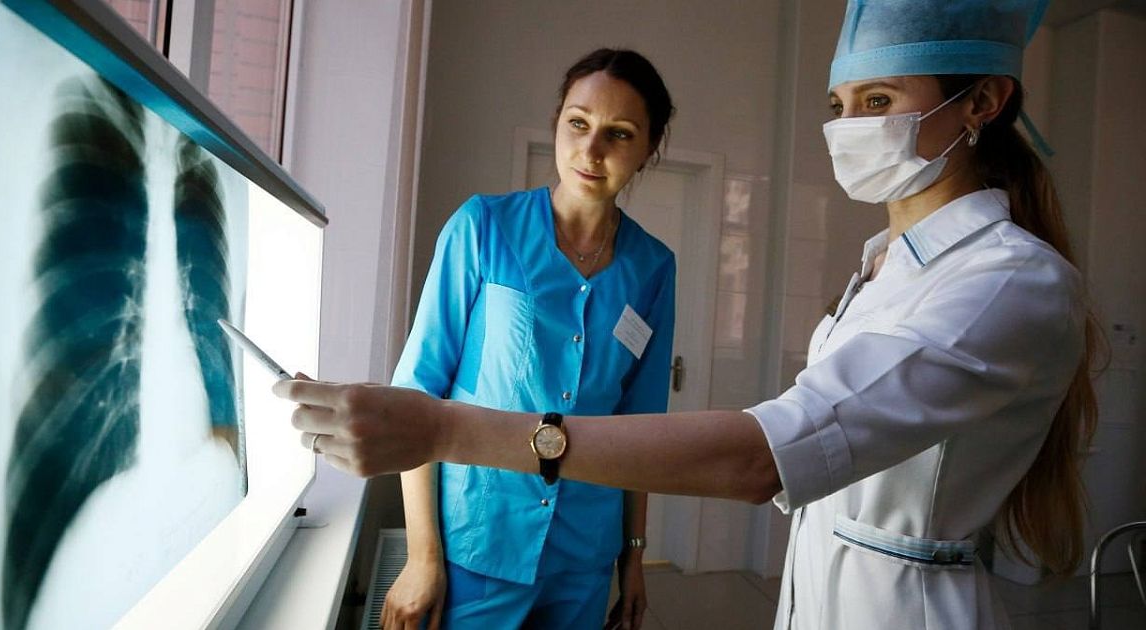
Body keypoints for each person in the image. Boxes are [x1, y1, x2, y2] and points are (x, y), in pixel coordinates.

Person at [276, 1, 1101, 628]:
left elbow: (737, 444)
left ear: (982, 103)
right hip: (484, 533)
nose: (848, 129)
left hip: (608, 547)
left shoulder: (1006, 281)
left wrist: (625, 551)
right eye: (838, 104)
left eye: (877, 99)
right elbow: (424, 378)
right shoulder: (880, 267)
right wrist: (426, 542)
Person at [371, 48, 677, 630]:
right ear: (557, 122)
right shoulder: (482, 227)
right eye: (578, 123)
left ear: (648, 148)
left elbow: (642, 428)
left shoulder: (653, 268)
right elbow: (417, 392)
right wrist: (422, 557)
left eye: (619, 133)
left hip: (585, 551)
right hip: (479, 539)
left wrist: (633, 558)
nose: (591, 150)